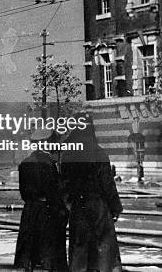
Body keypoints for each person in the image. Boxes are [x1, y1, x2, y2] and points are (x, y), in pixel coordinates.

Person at [61, 113, 123, 272]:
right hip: (99, 206)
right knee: (103, 248)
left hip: (78, 207)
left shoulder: (68, 153)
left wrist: (69, 205)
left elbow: (64, 184)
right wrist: (116, 207)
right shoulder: (99, 153)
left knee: (80, 248)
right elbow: (108, 184)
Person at [14, 129, 68, 272]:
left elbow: (23, 192)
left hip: (29, 211)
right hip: (47, 212)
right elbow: (54, 192)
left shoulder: (24, 163)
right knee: (47, 253)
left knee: (28, 251)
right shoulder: (49, 164)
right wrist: (61, 211)